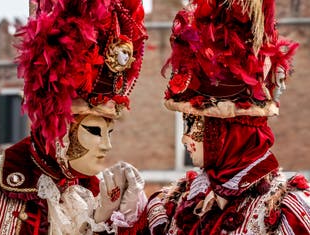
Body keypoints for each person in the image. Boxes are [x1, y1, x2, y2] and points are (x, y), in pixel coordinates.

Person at [0, 0, 148, 234]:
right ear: (59, 128)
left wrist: (110, 221)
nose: (107, 146)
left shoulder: (96, 196)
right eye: (94, 131)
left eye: (109, 132)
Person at [128, 0, 310, 234]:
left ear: (226, 130)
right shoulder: (176, 204)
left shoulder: (284, 213)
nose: (185, 139)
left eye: (193, 124)